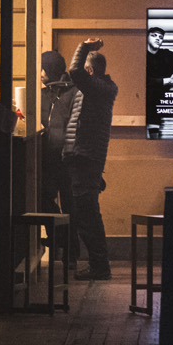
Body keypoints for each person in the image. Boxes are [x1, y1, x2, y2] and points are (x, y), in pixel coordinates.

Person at [65, 38, 118, 280]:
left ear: (89, 70)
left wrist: (84, 46)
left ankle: (100, 267)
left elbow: (74, 72)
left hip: (86, 158)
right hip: (83, 158)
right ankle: (99, 265)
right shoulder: (96, 90)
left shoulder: (99, 89)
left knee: (87, 215)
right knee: (86, 213)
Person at [37, 50, 77, 261]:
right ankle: (60, 238)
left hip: (67, 158)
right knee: (43, 198)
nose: (40, 73)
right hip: (48, 158)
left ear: (49, 69)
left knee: (70, 205)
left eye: (42, 68)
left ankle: (71, 253)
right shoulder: (43, 94)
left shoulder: (73, 93)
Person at [144, 26, 173, 138]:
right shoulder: (140, 55)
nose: (158, 39)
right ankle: (153, 137)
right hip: (147, 92)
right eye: (154, 36)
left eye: (160, 37)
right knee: (152, 93)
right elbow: (143, 81)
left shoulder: (164, 53)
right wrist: (168, 81)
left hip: (162, 91)